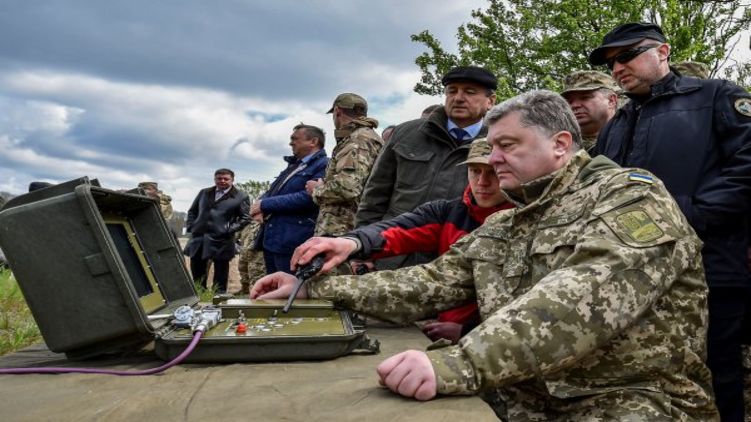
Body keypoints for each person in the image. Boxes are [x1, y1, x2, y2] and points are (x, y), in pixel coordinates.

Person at [252, 90, 718, 420]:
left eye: (506, 146)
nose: (492, 160)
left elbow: (582, 300)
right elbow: (428, 283)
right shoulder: (507, 223)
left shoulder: (629, 196)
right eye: (491, 147)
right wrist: (316, 286)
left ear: (560, 144)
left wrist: (459, 364)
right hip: (523, 393)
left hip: (626, 398)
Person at [589, 22, 751, 421]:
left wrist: (687, 213)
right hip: (633, 275)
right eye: (611, 63)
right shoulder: (617, 124)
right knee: (649, 379)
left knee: (717, 376)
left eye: (626, 55)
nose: (618, 68)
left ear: (662, 52)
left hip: (709, 268)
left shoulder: (716, 96)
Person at [295, 139, 512, 343]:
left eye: (492, 172)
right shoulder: (447, 212)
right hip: (445, 328)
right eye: (475, 171)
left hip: (495, 341)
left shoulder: (520, 222)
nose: (482, 182)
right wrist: (350, 243)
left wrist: (469, 330)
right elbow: (395, 231)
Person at [355, 66, 497, 270]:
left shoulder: (499, 142)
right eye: (452, 91)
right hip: (393, 255)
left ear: (490, 101)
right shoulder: (406, 134)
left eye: (470, 92)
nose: (458, 98)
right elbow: (374, 196)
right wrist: (364, 249)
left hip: (457, 263)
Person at [252, 124, 329, 274]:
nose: (290, 143)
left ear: (313, 141)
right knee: (273, 285)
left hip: (294, 241)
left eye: (295, 139)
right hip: (273, 240)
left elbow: (309, 197)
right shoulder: (293, 166)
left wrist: (265, 204)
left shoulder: (324, 165)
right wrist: (259, 206)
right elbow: (272, 191)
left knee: (289, 285)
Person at [306, 93, 383, 237]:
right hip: (351, 229)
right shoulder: (366, 137)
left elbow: (348, 188)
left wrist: (316, 189)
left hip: (342, 230)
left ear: (337, 111)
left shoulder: (357, 139)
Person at [184, 168, 250, 293]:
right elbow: (192, 211)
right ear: (215, 179)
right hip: (199, 237)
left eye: (226, 179)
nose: (222, 181)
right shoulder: (204, 192)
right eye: (219, 178)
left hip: (222, 239)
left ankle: (219, 298)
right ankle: (199, 294)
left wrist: (228, 229)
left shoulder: (241, 196)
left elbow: (245, 218)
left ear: (232, 180)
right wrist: (192, 226)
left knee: (221, 272)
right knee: (197, 270)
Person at [559, 70, 618, 153]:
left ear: (611, 101)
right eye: (569, 101)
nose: (574, 105)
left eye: (585, 97)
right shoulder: (560, 147)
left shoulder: (632, 135)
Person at [237, 220, 266, 295]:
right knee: (242, 268)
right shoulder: (245, 223)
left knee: (256, 271)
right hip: (244, 251)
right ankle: (245, 289)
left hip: (256, 253)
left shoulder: (262, 223)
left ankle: (259, 291)